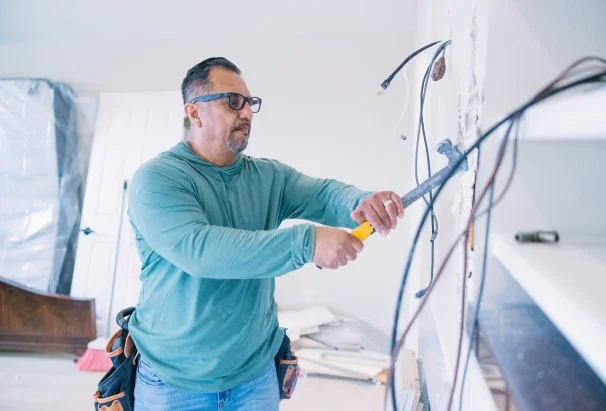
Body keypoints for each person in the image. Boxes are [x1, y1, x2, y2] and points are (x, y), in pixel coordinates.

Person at [127, 57, 404, 410]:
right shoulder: (157, 179)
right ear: (194, 113)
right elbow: (199, 250)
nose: (246, 113)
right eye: (233, 101)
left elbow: (322, 194)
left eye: (250, 103)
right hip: (174, 381)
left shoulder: (269, 177)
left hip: (254, 375)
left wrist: (363, 202)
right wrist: (307, 242)